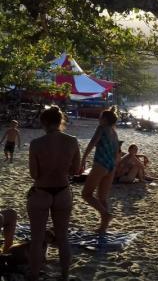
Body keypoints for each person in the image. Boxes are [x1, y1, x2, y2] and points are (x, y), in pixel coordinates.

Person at [27, 106, 80, 281]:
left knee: (37, 239)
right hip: (63, 191)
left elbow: (34, 175)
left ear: (44, 122)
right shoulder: (72, 141)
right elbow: (75, 171)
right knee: (63, 237)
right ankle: (64, 275)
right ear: (61, 121)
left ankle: (34, 276)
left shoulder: (36, 144)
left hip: (41, 191)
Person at [81, 107, 120, 234]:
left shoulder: (101, 128)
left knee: (86, 194)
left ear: (104, 119)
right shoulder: (114, 132)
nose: (98, 119)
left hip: (101, 164)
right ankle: (103, 227)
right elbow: (117, 153)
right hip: (111, 166)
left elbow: (92, 143)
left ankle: (105, 214)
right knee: (102, 198)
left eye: (100, 117)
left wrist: (84, 158)